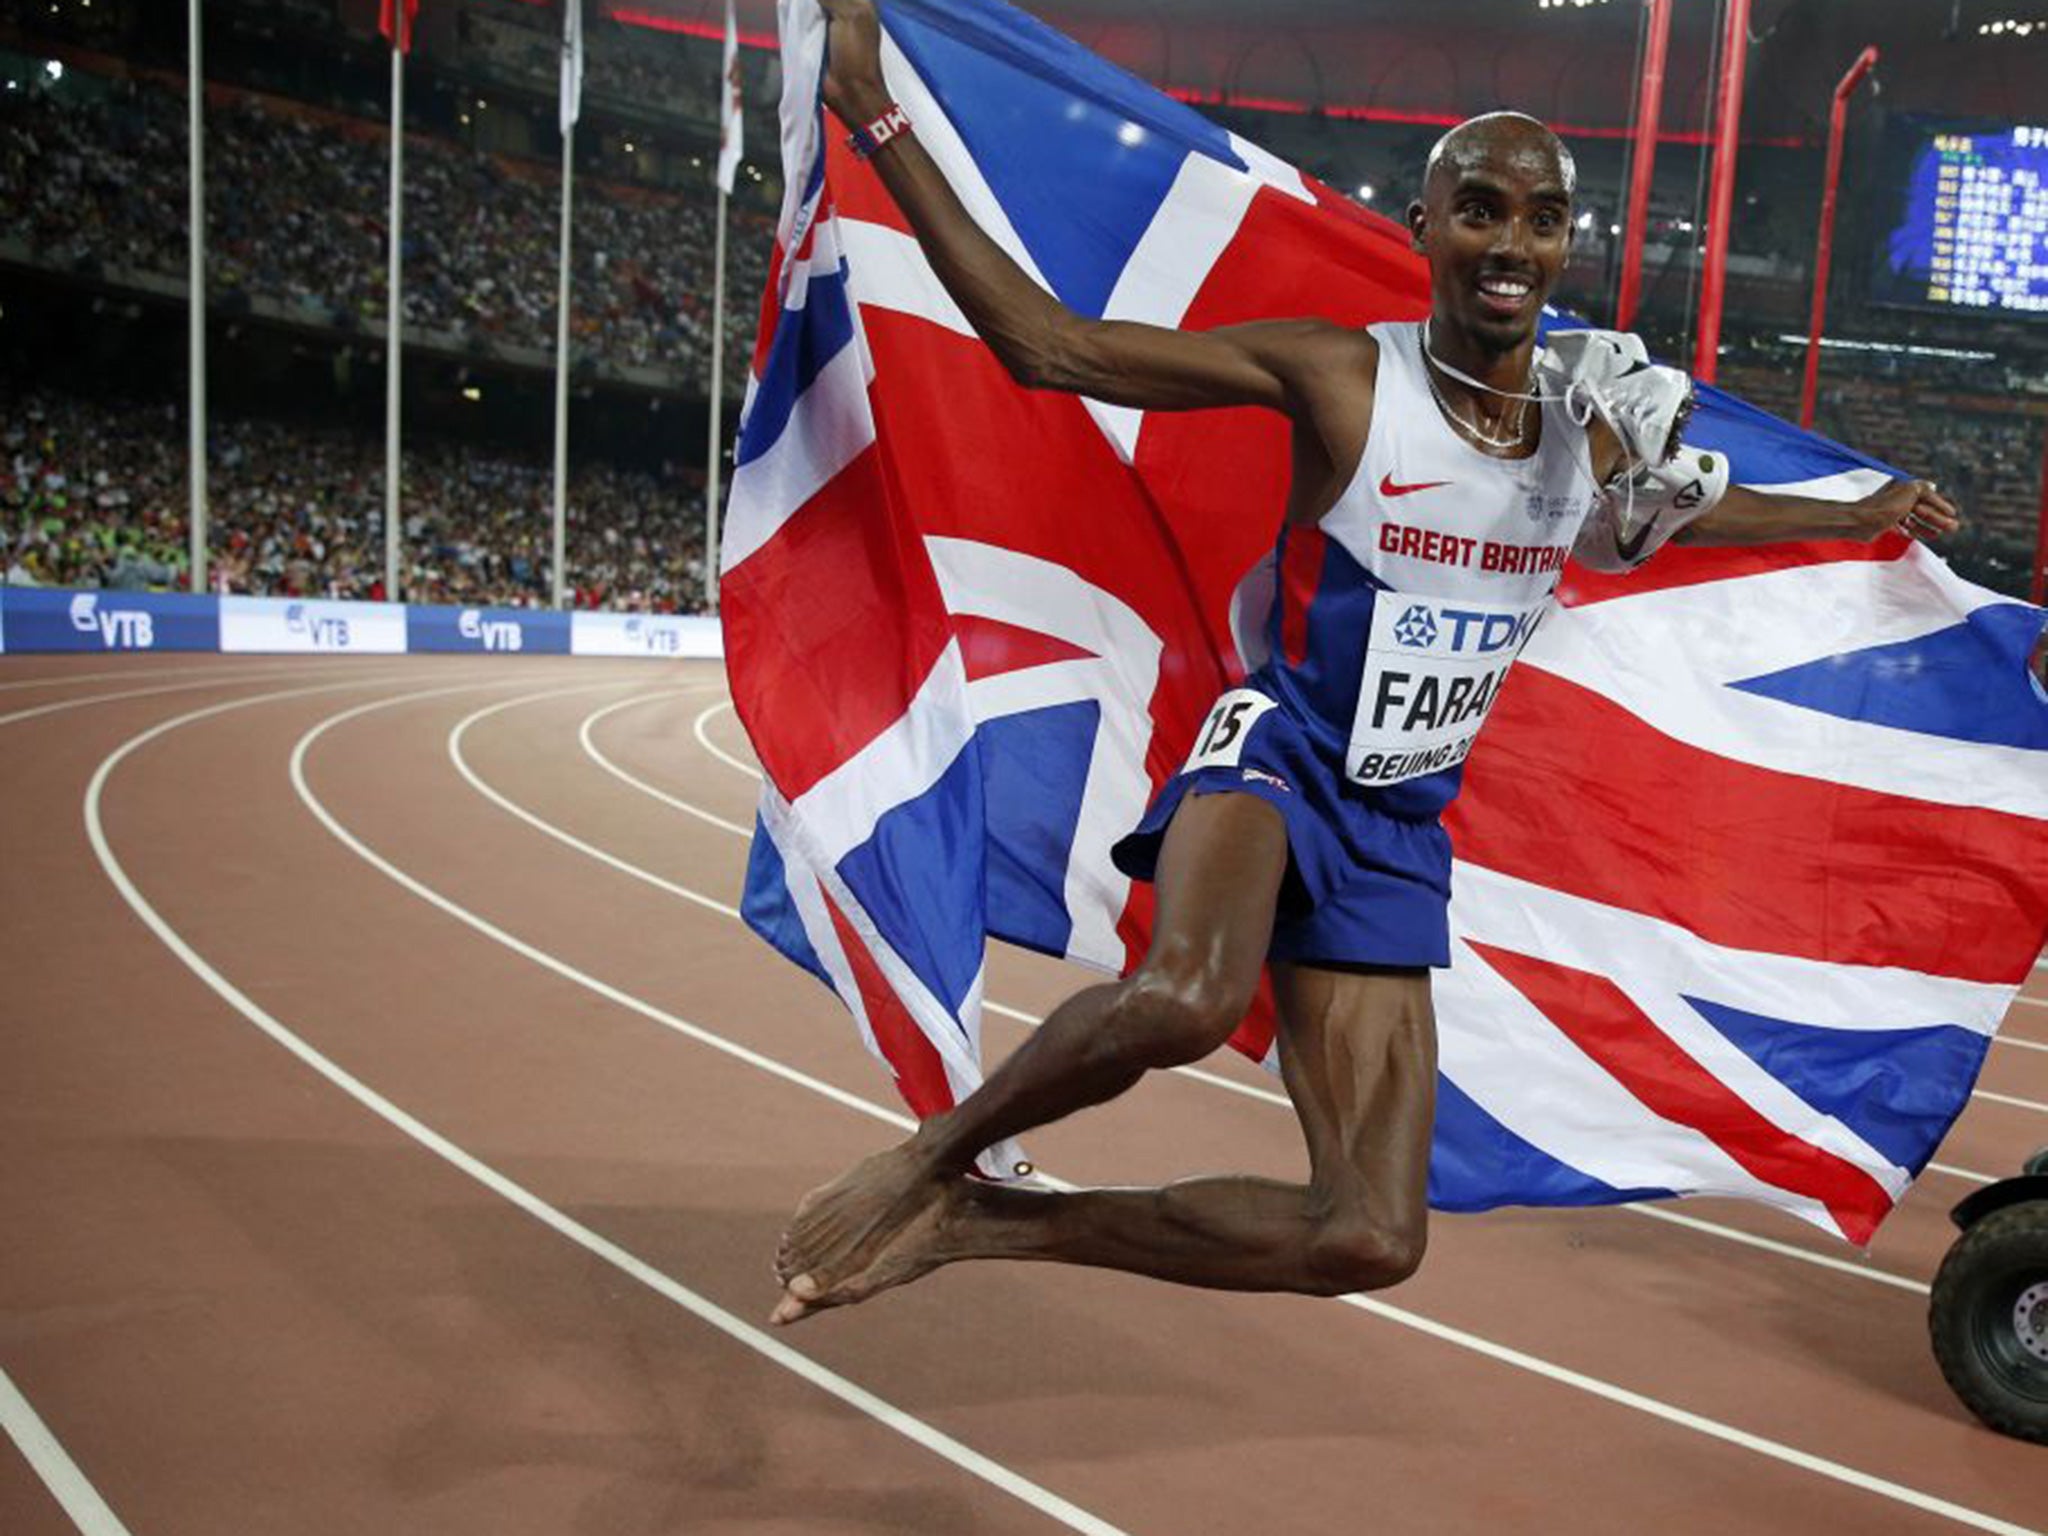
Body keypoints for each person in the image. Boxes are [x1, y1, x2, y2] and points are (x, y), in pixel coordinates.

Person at [771, 0, 1962, 1326]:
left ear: (1568, 241)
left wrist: (1855, 511)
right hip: (1276, 752)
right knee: (1183, 998)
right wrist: (877, 113)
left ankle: (988, 1222)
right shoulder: (1343, 377)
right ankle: (926, 1163)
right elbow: (1052, 350)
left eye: (1540, 217)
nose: (1511, 241)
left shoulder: (1586, 428)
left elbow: (1677, 517)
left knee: (1369, 1235)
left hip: (1396, 819)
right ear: (1428, 226)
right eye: (1481, 209)